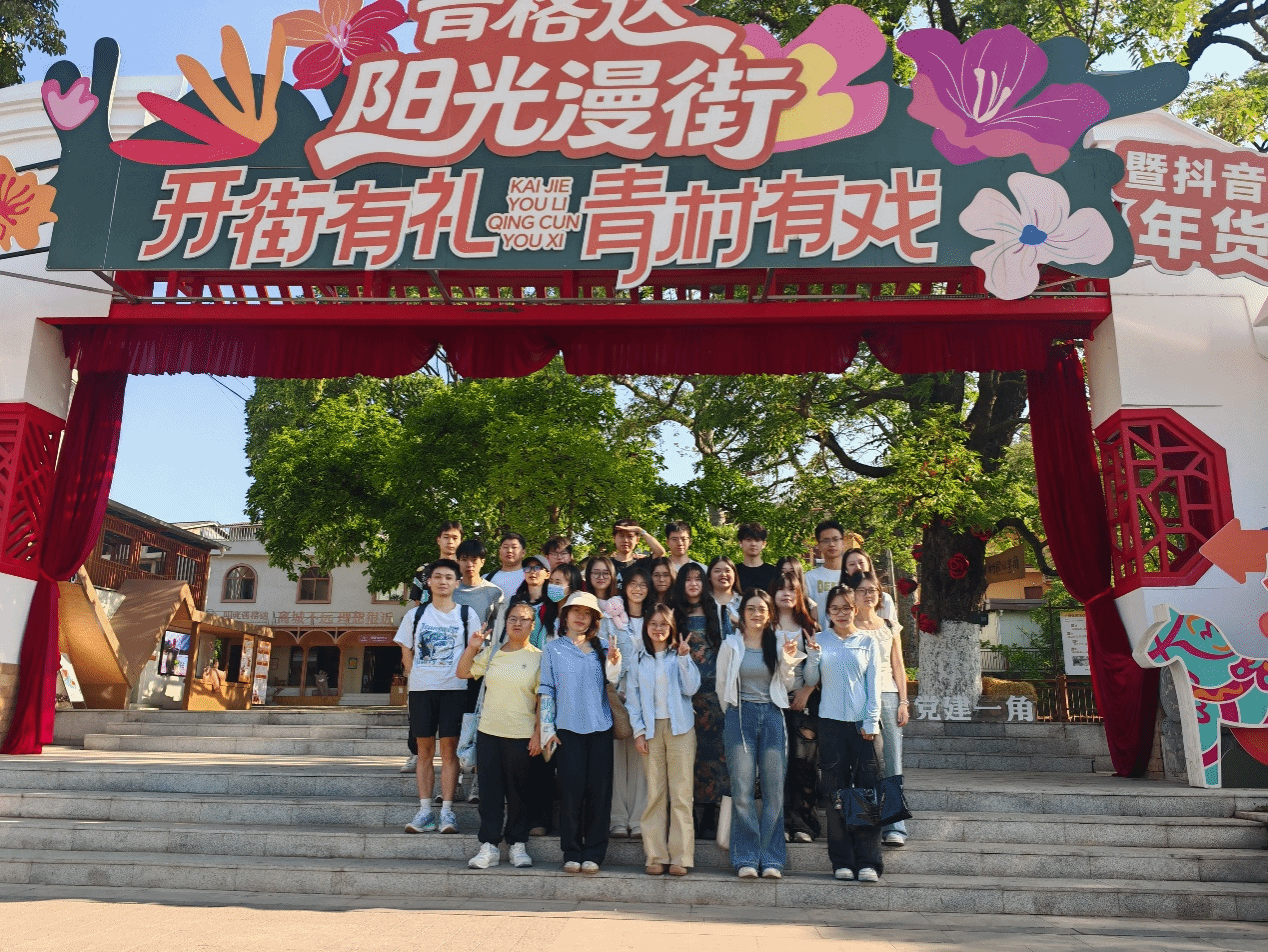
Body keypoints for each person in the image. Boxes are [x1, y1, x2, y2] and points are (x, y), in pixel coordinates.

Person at [396, 559, 483, 836]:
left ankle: (447, 810)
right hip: (422, 691)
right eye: (437, 577)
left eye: (448, 577)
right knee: (423, 752)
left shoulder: (467, 614)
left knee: (449, 751)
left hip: (455, 690)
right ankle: (425, 811)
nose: (442, 581)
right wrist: (414, 675)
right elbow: (405, 649)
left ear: (457, 583)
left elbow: (474, 651)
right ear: (429, 582)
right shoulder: (415, 615)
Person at [717, 589, 800, 879]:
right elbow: (721, 685)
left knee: (774, 790)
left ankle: (772, 859)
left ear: (769, 614)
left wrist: (788, 661)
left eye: (761, 609)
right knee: (742, 790)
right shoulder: (731, 644)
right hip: (740, 715)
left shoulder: (778, 643)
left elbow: (787, 685)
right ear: (742, 614)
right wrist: (734, 712)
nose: (756, 614)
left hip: (772, 715)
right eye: (750, 608)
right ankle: (747, 858)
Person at [804, 585, 884, 883]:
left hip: (862, 725)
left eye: (846, 608)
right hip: (830, 724)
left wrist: (871, 721)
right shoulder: (820, 639)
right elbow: (811, 680)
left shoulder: (867, 641)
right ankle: (842, 861)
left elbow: (873, 685)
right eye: (835, 608)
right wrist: (813, 656)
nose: (841, 613)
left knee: (866, 793)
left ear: (855, 609)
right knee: (835, 794)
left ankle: (868, 862)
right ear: (828, 612)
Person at [539, 591, 623, 874]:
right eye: (576, 611)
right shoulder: (553, 649)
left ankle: (595, 853)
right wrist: (547, 728)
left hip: (601, 727)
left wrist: (614, 662)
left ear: (594, 620)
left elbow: (614, 683)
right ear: (565, 616)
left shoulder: (603, 647)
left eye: (587, 613)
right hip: (566, 729)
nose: (580, 617)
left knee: (599, 793)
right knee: (570, 792)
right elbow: (546, 689)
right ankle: (572, 851)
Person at [456, 601, 541, 870]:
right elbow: (462, 672)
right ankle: (489, 846)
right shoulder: (492, 653)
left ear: (533, 625)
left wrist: (538, 733)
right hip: (489, 733)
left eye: (524, 619)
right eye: (513, 618)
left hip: (522, 735)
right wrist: (472, 647)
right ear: (506, 622)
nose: (517, 623)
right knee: (490, 793)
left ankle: (518, 844)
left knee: (520, 794)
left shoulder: (539, 658)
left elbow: (543, 700)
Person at [627, 603, 700, 876]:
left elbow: (691, 688)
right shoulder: (638, 658)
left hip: (681, 729)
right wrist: (638, 732)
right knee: (655, 794)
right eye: (653, 624)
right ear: (646, 627)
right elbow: (632, 699)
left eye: (664, 624)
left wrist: (683, 658)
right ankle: (655, 856)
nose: (658, 629)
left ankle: (681, 857)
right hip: (651, 730)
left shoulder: (678, 654)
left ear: (672, 627)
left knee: (681, 794)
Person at [848, 568, 909, 847]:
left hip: (888, 694)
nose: (868, 595)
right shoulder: (846, 626)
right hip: (856, 698)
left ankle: (895, 826)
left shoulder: (889, 626)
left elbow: (899, 666)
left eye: (872, 590)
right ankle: (861, 824)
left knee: (892, 761)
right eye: (862, 590)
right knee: (858, 762)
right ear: (852, 595)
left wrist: (903, 701)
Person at [525, 561, 583, 836]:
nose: (555, 587)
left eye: (561, 582)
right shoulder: (543, 615)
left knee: (571, 762)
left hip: (574, 697)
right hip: (545, 693)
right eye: (553, 581)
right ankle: (539, 818)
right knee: (542, 756)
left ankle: (572, 821)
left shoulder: (582, 619)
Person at [671, 562, 729, 839]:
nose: (693, 584)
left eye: (698, 579)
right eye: (688, 579)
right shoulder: (674, 614)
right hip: (684, 696)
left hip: (714, 696)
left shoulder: (717, 612)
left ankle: (710, 814)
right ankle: (689, 814)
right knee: (688, 758)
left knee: (714, 755)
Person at [771, 571, 821, 843]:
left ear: (800, 593)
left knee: (804, 763)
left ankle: (803, 822)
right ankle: (781, 822)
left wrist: (807, 691)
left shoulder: (810, 627)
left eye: (792, 589)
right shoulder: (765, 625)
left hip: (803, 701)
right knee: (777, 764)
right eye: (781, 589)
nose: (786, 593)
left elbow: (821, 665)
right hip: (772, 701)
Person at [606, 562, 649, 840]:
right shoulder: (610, 620)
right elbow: (604, 653)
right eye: (633, 584)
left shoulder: (655, 618)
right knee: (616, 759)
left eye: (643, 585)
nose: (638, 589)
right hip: (617, 694)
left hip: (646, 697)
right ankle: (618, 819)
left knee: (640, 757)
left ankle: (639, 819)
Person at [804, 520, 849, 631]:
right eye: (826, 540)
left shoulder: (851, 575)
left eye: (835, 539)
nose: (831, 544)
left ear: (843, 543)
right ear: (818, 545)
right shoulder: (809, 578)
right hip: (820, 637)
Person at [843, 547, 898, 624]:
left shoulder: (884, 599)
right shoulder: (841, 598)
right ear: (846, 570)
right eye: (852, 564)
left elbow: (890, 628)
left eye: (861, 562)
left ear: (869, 564)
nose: (858, 567)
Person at [610, 518, 666, 584]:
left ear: (637, 540)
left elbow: (660, 552)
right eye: (621, 536)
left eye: (630, 536)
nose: (625, 540)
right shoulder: (607, 564)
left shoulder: (642, 564)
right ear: (614, 538)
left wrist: (640, 530)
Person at [735, 523, 779, 593]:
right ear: (740, 543)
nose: (753, 544)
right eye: (748, 540)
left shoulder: (774, 572)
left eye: (757, 540)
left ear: (764, 544)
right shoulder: (734, 572)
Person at [486, 532, 528, 602]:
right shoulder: (486, 579)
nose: (509, 551)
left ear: (523, 552)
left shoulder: (531, 577)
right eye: (505, 547)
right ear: (499, 551)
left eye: (514, 547)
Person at [706, 556, 741, 630]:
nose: (723, 574)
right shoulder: (702, 602)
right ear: (709, 576)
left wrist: (736, 621)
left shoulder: (745, 602)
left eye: (727, 571)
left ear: (735, 575)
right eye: (717, 571)